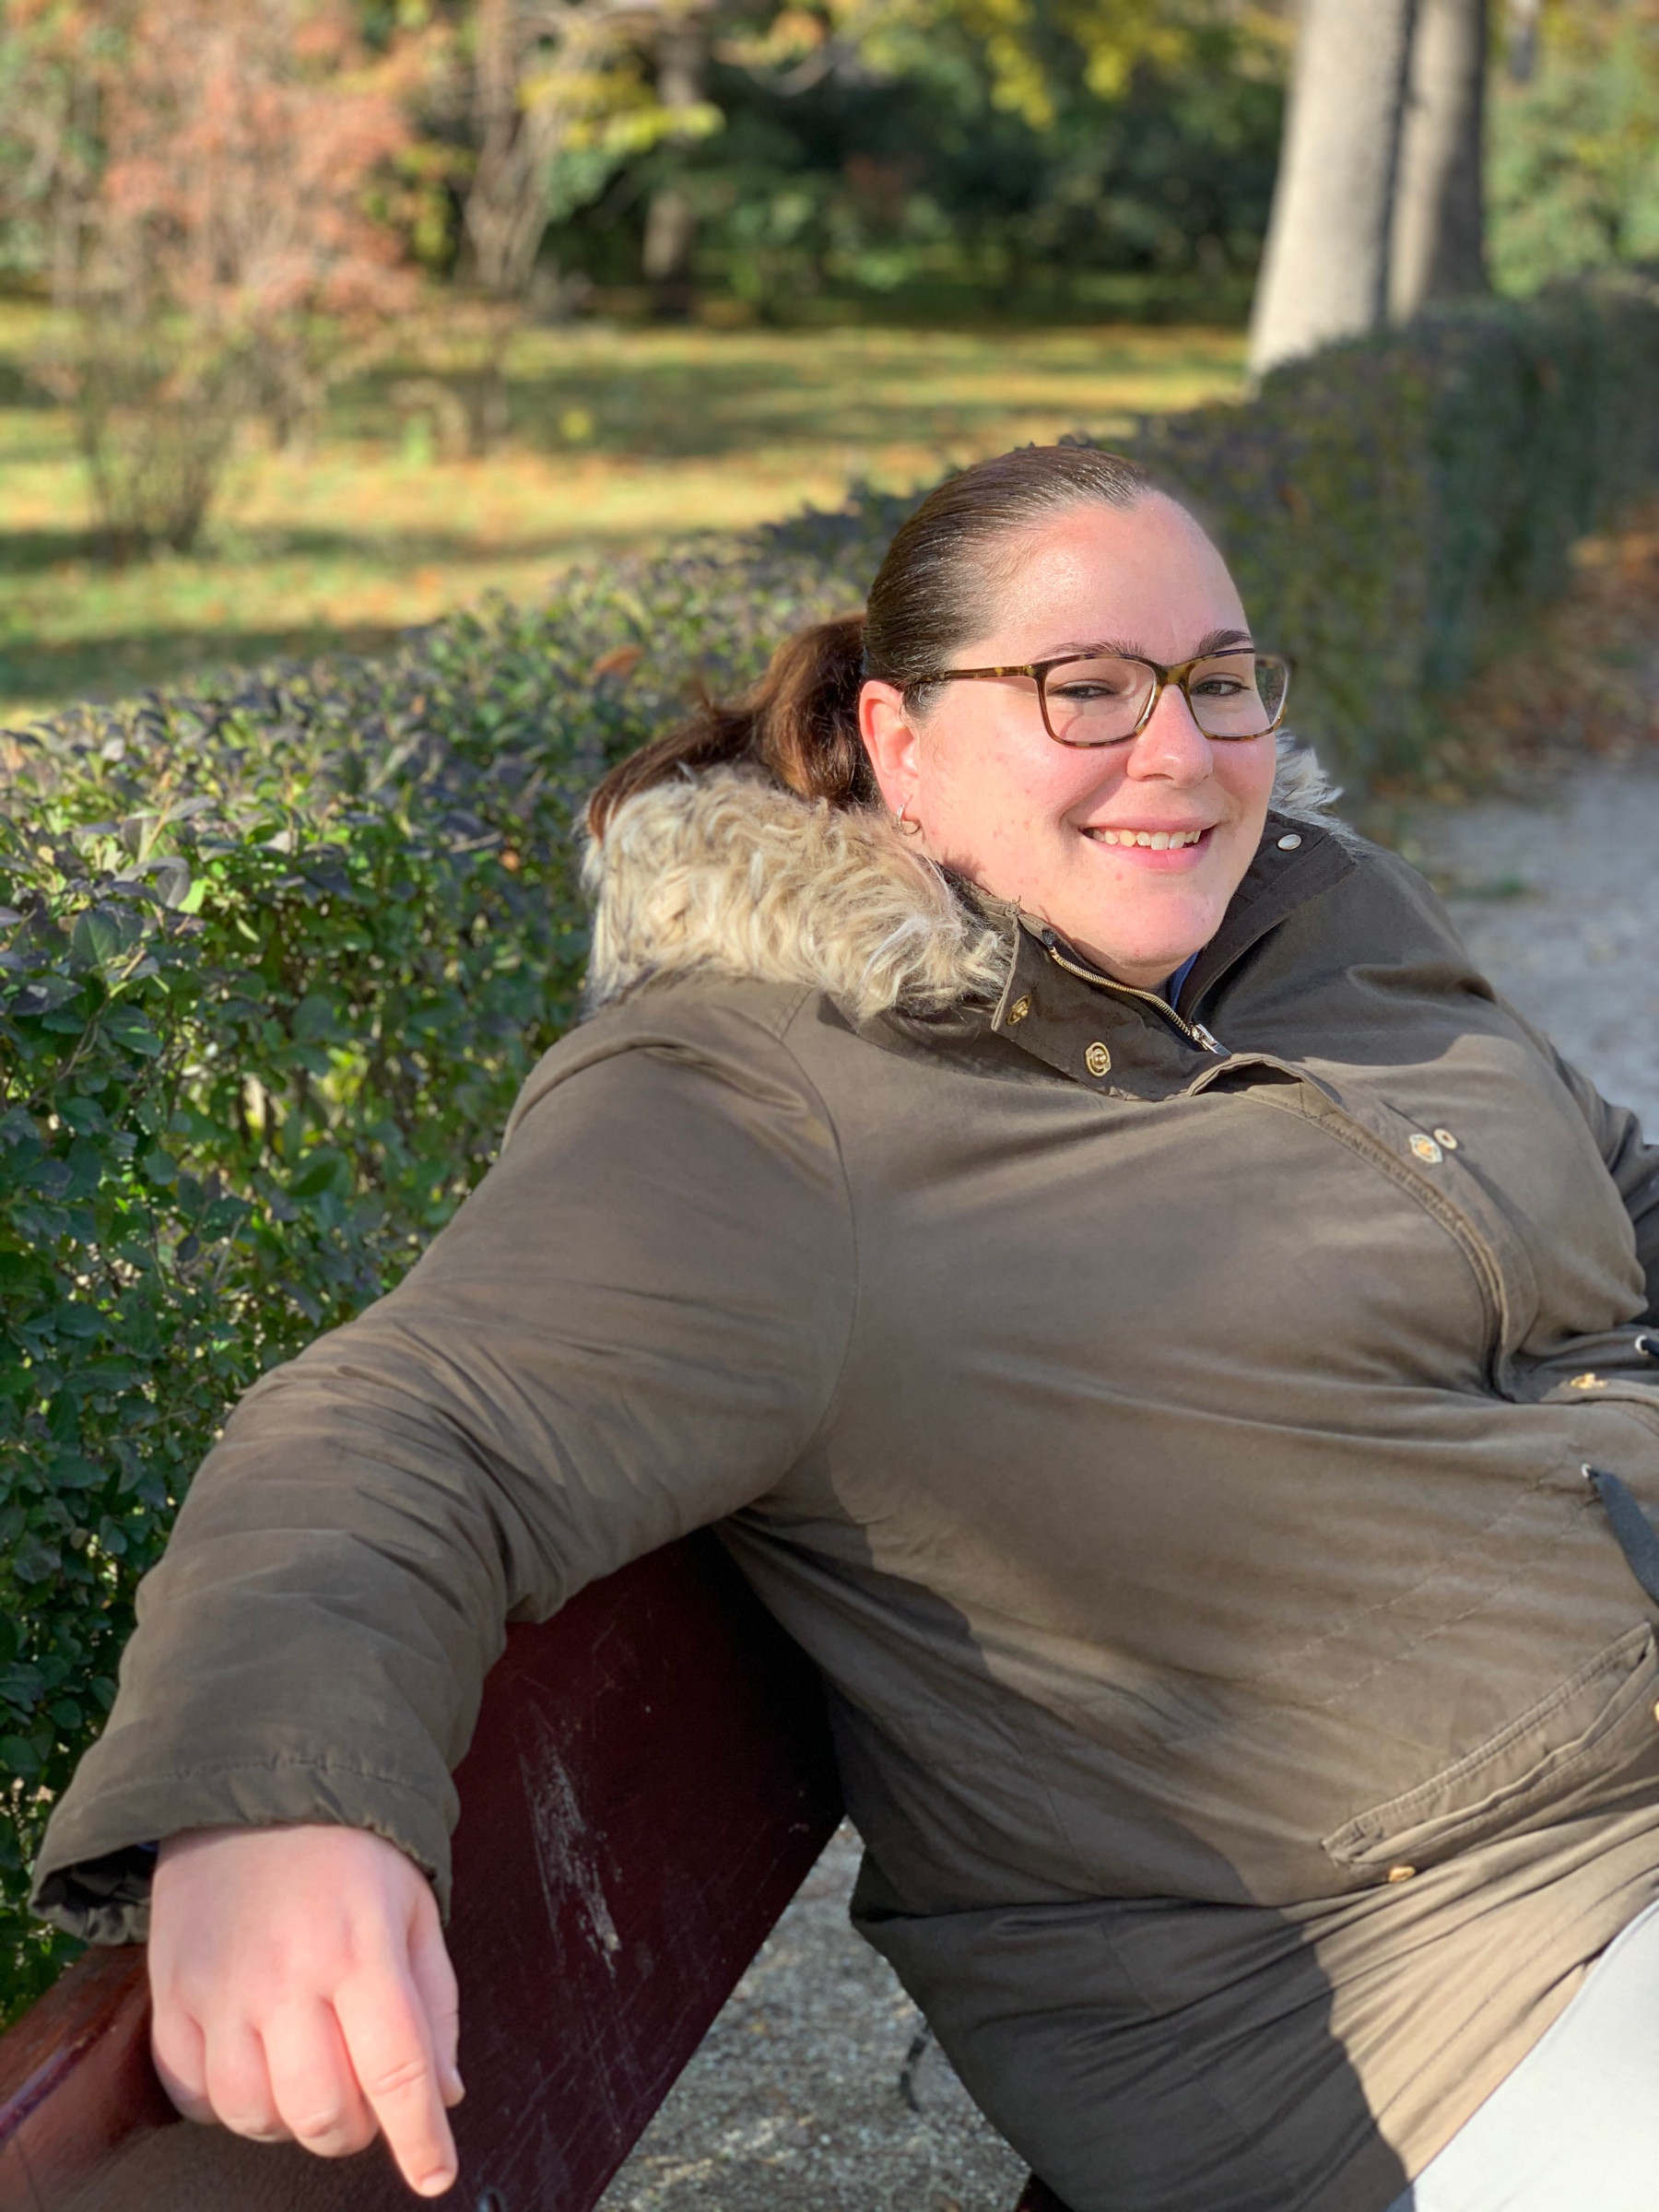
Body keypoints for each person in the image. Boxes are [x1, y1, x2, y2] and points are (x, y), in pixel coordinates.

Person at [30, 444, 1659, 2212]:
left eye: (1218, 679)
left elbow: (1608, 1185)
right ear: (901, 740)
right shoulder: (761, 1105)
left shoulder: (1318, 917)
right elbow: (405, 1426)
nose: (1181, 750)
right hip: (1431, 1984)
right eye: (1085, 689)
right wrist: (274, 1804)